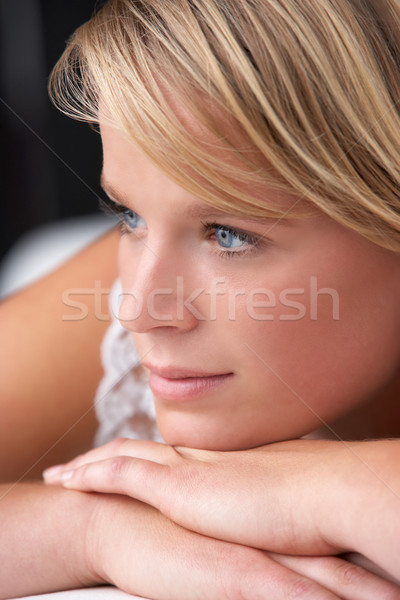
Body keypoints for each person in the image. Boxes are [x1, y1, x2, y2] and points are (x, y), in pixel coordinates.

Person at [1, 0, 400, 598]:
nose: (135, 309)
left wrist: (350, 486)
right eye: (129, 214)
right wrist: (89, 528)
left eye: (230, 234)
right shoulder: (120, 312)